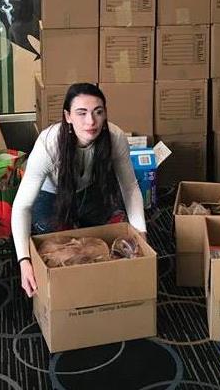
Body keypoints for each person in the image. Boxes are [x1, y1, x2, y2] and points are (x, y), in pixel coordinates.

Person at [11, 82, 147, 298]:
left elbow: (129, 188)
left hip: (90, 192)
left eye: (98, 112)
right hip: (51, 195)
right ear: (68, 116)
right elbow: (22, 206)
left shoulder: (115, 137)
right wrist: (24, 261)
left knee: (116, 237)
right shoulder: (49, 143)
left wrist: (142, 236)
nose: (90, 121)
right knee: (58, 247)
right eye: (81, 113)